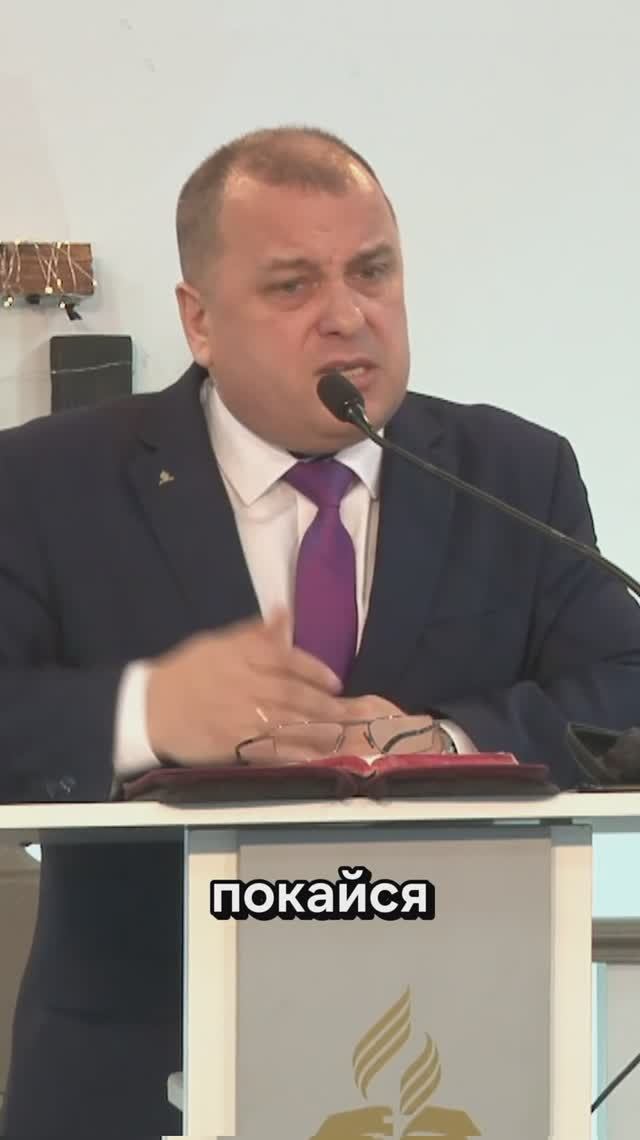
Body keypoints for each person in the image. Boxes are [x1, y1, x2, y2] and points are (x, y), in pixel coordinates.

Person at [1, 125, 640, 1138]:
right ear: (199, 320)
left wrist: (450, 743)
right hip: (137, 1066)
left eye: (372, 272)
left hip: (460, 1060)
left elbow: (622, 682)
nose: (348, 315)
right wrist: (147, 711)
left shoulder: (514, 473)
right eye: (293, 285)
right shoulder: (46, 482)